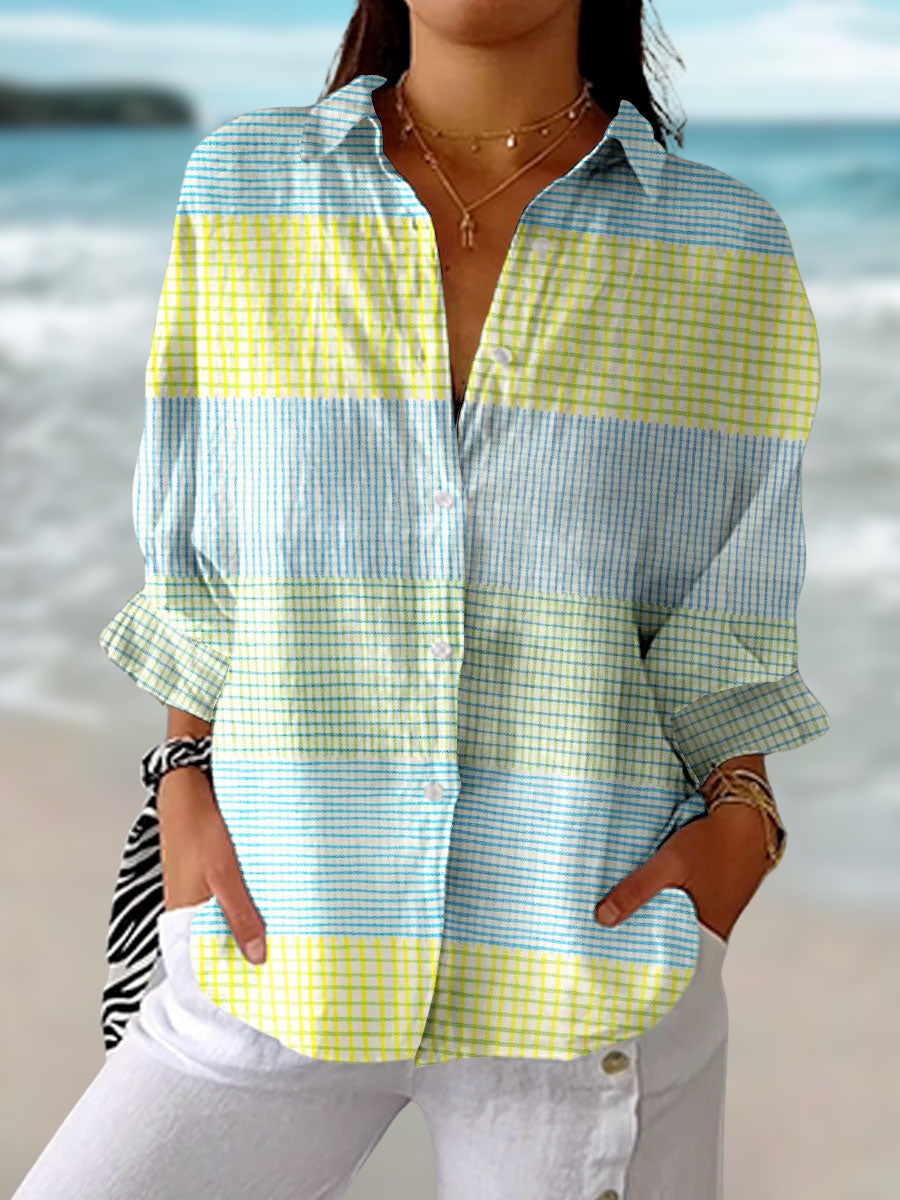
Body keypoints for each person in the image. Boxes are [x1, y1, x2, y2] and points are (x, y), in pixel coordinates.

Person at [12, 1, 829, 1197]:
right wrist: (182, 773)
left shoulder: (724, 244)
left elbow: (728, 609)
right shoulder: (246, 189)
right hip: (273, 931)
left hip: (584, 965)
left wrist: (742, 825)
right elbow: (199, 547)